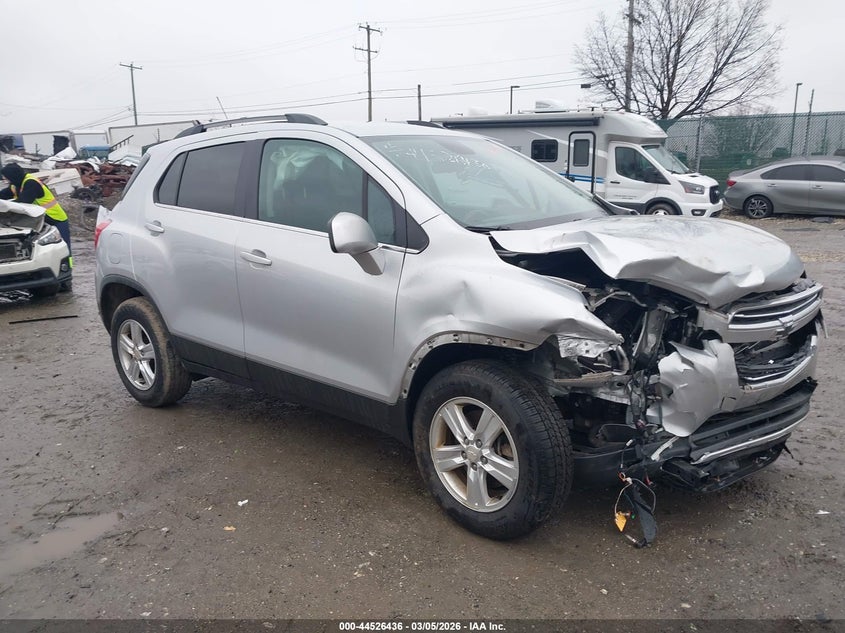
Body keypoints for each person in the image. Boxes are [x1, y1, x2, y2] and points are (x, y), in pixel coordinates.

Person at [1, 162, 73, 266]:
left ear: (13, 176)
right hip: (41, 221)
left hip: (56, 219)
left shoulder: (31, 183)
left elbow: (23, 202)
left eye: (6, 178)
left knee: (63, 249)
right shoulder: (16, 185)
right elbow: (4, 194)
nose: (5, 180)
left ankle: (67, 268)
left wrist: (5, 206)